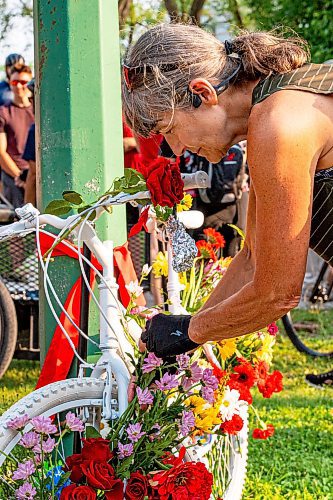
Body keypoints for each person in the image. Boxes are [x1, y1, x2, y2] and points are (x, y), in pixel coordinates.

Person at [122, 23, 333, 381]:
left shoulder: (279, 123)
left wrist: (188, 332)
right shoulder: (274, 108)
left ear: (202, 93)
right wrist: (190, 334)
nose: (176, 149)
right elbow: (251, 259)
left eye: (169, 129)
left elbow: (276, 293)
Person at [0, 64, 34, 207]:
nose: (19, 86)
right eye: (15, 82)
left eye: (23, 82)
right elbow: (1, 152)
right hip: (14, 178)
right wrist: (20, 177)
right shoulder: (4, 112)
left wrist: (31, 178)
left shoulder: (40, 109)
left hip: (36, 174)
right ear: (10, 83)